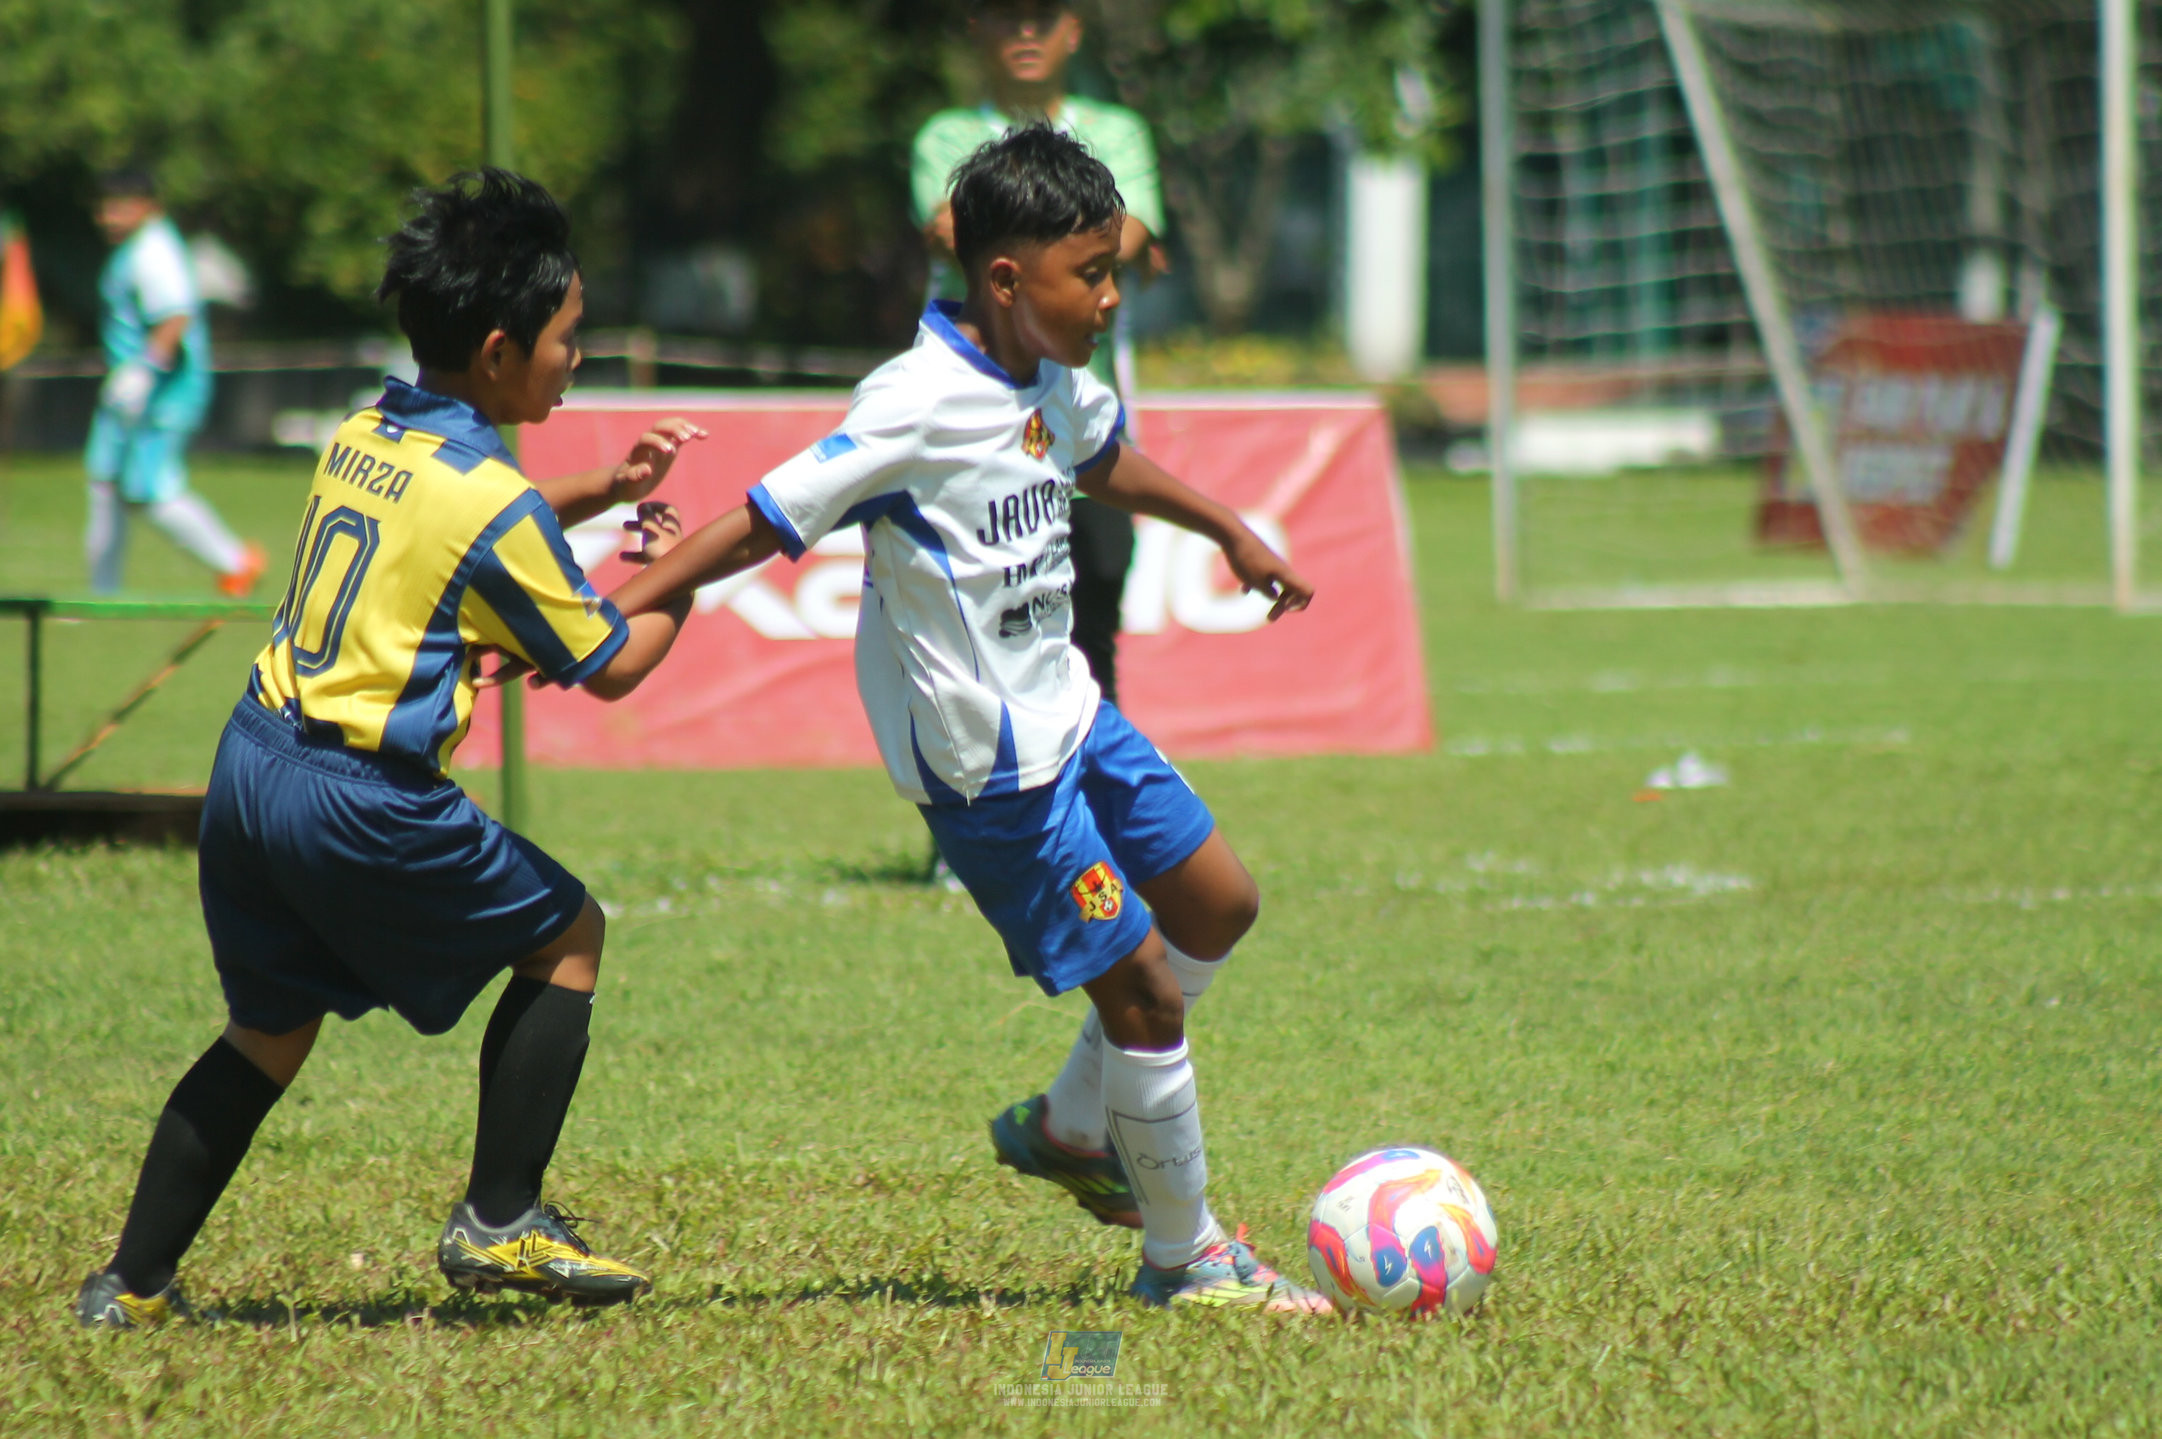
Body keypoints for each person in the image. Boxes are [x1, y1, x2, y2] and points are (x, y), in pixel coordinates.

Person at [610, 127, 1328, 1310]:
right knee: (1143, 989)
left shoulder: (1049, 372)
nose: (1109, 293)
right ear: (1005, 278)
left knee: (1218, 900)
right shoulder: (911, 404)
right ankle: (1184, 1257)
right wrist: (615, 604)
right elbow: (762, 518)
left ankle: (1068, 1127)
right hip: (992, 769)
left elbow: (1103, 458)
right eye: (1089, 272)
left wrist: (1228, 529)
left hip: (1071, 711)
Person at [76, 169, 704, 1328]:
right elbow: (611, 660)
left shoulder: (367, 430)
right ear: (507, 348)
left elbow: (468, 517)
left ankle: (132, 1283)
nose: (580, 357)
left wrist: (603, 493)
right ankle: (502, 1218)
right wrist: (690, 570)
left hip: (254, 762)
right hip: (358, 794)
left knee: (266, 1031)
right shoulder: (495, 506)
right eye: (571, 338)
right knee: (568, 937)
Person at [911, 0, 1165, 710]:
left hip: (1087, 429)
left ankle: (1090, 816)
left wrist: (1024, 233)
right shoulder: (947, 134)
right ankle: (977, 817)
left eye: (1042, 18)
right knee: (977, 650)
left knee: (1094, 646)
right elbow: (950, 228)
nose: (1025, 33)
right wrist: (1090, 236)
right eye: (1004, 16)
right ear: (975, 29)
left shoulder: (1118, 129)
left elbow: (1136, 233)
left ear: (1073, 30)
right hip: (974, 432)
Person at [84, 170, 265, 597]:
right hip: (130, 391)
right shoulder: (133, 248)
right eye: (104, 206)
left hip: (161, 393)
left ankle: (237, 561)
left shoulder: (154, 251)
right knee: (105, 482)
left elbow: (176, 317)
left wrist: (143, 371)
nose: (108, 217)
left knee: (150, 490)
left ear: (148, 205)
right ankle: (100, 596)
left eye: (120, 206)